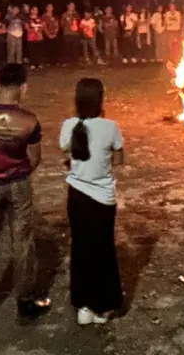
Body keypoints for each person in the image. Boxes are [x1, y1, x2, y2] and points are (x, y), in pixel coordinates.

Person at [0, 63, 52, 323]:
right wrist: (20, 171)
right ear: (23, 88)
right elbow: (35, 157)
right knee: (23, 242)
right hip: (18, 184)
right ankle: (25, 303)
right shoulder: (29, 121)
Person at [59, 78, 124, 325]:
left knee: (80, 247)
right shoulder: (110, 127)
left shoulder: (69, 125)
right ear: (101, 100)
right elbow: (118, 160)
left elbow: (67, 151)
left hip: (77, 194)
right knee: (103, 249)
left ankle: (83, 305)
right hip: (102, 198)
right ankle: (104, 304)